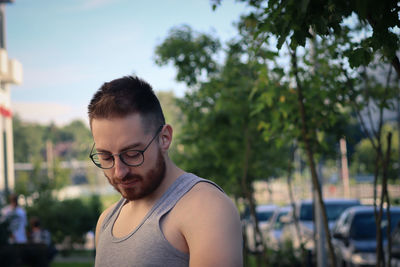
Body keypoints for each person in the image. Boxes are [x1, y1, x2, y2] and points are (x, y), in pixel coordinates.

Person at [88, 76, 243, 267]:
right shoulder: (106, 221)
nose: (119, 172)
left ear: (164, 138)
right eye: (106, 157)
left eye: (132, 154)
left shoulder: (206, 208)